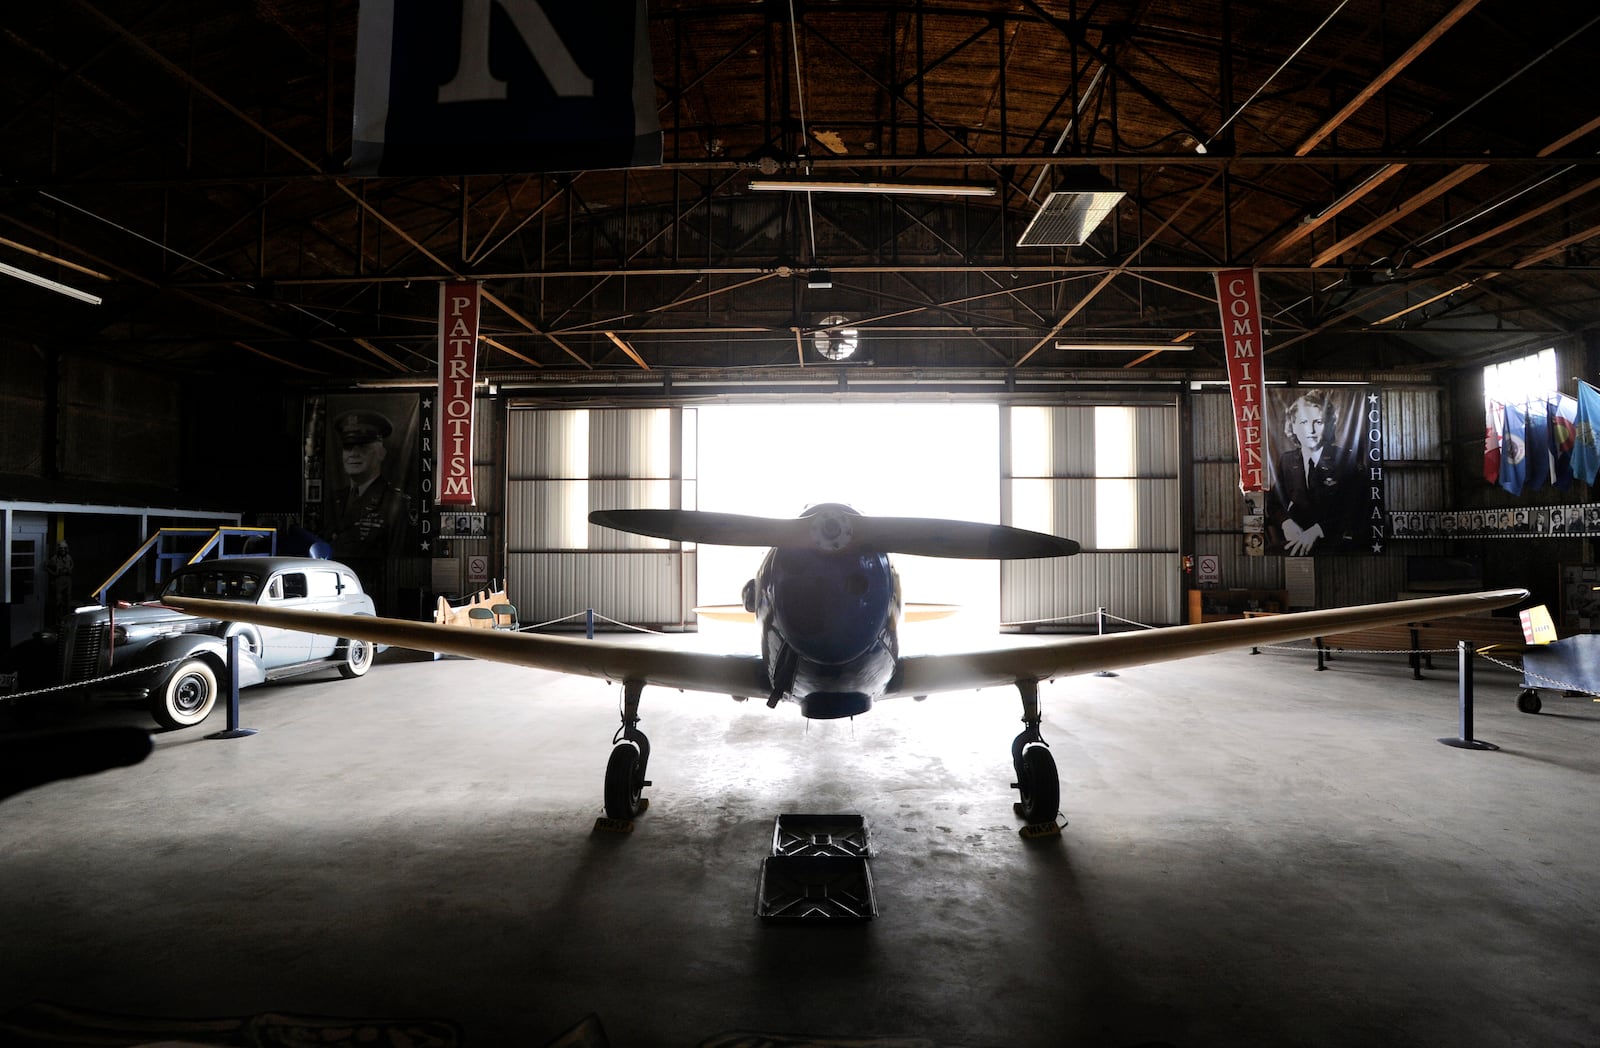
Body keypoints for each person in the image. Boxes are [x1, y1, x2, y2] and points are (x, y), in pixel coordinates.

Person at [1268, 389, 1362, 555]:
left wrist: (1318, 530)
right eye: (1303, 423)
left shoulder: (1346, 460)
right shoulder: (1287, 461)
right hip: (1295, 543)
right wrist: (1286, 523)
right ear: (1293, 427)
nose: (1310, 430)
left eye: (1318, 422)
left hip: (1334, 546)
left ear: (1328, 426)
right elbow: (1274, 503)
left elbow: (1354, 508)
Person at [326, 410, 412, 558]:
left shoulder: (396, 503)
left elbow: (398, 554)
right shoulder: (335, 500)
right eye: (348, 447)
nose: (353, 453)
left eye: (363, 447)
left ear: (381, 453)